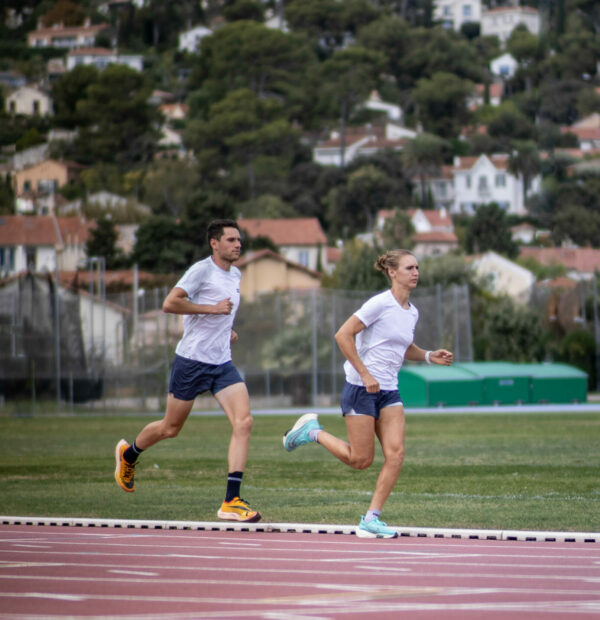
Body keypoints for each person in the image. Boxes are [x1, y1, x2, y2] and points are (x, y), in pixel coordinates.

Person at [283, 249, 452, 538]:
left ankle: (371, 518)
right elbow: (342, 335)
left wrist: (427, 356)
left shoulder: (412, 312)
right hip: (361, 388)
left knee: (396, 455)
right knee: (361, 460)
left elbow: (401, 346)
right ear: (392, 272)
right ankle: (313, 431)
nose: (416, 272)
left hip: (389, 391)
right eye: (409, 268)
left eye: (417, 267)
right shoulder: (379, 304)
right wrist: (365, 373)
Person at [114, 219, 261, 523]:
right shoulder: (200, 271)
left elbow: (223, 311)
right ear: (214, 243)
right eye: (231, 240)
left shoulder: (235, 274)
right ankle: (129, 455)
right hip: (191, 361)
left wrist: (226, 328)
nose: (238, 245)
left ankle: (231, 501)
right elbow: (171, 303)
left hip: (221, 363)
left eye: (239, 240)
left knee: (244, 422)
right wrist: (212, 311)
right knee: (171, 428)